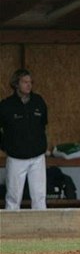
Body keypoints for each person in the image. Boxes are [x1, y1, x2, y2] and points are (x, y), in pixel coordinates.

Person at [0, 69, 48, 210]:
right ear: (16, 84)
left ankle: (41, 229)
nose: (28, 85)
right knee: (13, 197)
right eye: (25, 82)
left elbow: (43, 124)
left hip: (37, 156)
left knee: (39, 196)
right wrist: (5, 146)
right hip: (16, 157)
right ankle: (10, 231)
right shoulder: (6, 105)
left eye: (30, 82)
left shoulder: (38, 102)